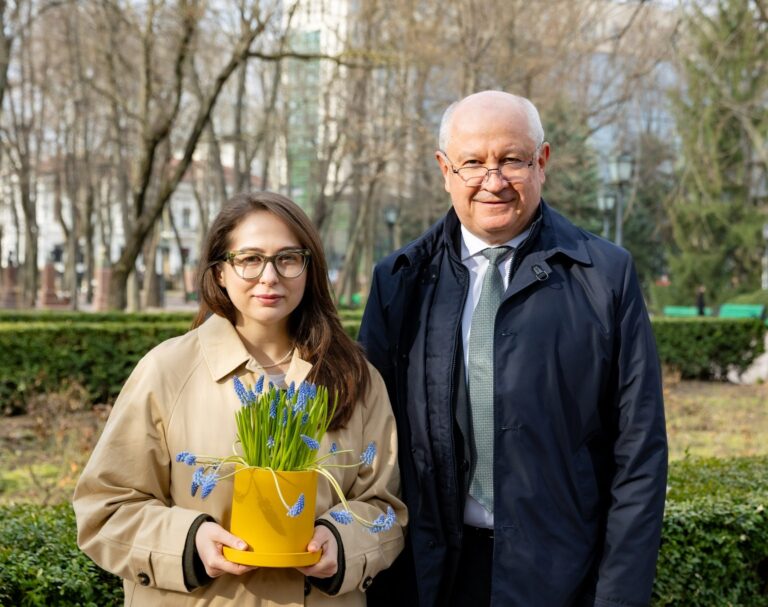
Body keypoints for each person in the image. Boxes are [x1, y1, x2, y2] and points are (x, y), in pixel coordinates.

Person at [359, 91, 667, 606]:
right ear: (444, 169)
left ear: (541, 161)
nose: (493, 181)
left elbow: (639, 455)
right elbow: (368, 442)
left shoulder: (605, 276)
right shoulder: (401, 281)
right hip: (428, 578)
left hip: (562, 578)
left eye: (512, 160)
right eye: (473, 163)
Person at [74, 192, 405, 606]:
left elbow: (385, 510)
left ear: (309, 268)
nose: (269, 276)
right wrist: (191, 544)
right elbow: (104, 509)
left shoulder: (354, 377)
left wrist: (343, 545)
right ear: (219, 273)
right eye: (249, 259)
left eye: (288, 258)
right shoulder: (167, 372)